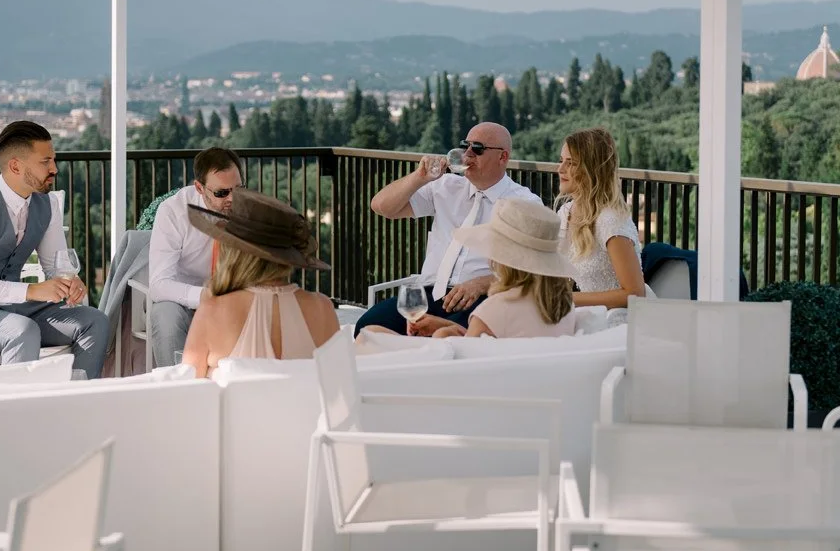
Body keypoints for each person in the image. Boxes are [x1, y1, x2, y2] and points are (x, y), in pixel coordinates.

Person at [0, 121, 109, 378]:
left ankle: (74, 402)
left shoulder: (47, 205)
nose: (54, 169)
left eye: (53, 160)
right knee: (22, 330)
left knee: (95, 322)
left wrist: (71, 281)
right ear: (15, 166)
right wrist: (31, 290)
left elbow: (57, 265)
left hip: (12, 310)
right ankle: (13, 414)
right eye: (45, 162)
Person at [353, 122, 543, 337]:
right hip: (429, 292)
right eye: (465, 146)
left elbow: (535, 268)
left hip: (481, 298)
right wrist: (420, 177)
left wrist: (482, 284)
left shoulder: (524, 203)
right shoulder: (447, 186)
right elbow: (382, 207)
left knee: (445, 339)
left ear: (503, 157)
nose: (468, 154)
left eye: (478, 148)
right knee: (367, 327)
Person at [359, 197, 576, 339]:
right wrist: (445, 327)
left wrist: (442, 334)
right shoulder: (563, 307)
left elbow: (464, 364)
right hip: (521, 385)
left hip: (473, 392)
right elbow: (489, 343)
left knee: (369, 335)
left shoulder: (495, 309)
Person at [181, 188, 339, 378]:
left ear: (233, 251)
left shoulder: (214, 310)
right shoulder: (322, 309)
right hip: (309, 408)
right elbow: (337, 385)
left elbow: (188, 390)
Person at [147, 147, 243, 366]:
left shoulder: (249, 208)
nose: (233, 198)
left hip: (234, 300)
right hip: (183, 302)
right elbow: (160, 285)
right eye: (222, 193)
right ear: (199, 188)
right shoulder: (173, 211)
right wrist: (206, 296)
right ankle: (176, 393)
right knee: (165, 316)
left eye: (238, 189)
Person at [555, 127, 648, 323]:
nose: (560, 169)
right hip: (586, 316)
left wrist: (570, 299)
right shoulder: (566, 213)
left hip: (618, 322)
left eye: (570, 163)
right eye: (561, 160)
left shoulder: (610, 220)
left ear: (590, 170)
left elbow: (635, 293)